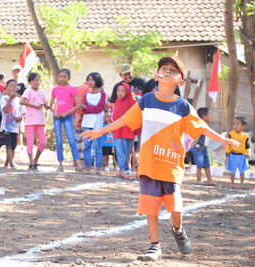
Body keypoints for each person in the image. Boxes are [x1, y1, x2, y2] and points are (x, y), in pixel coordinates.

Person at [81, 56, 237, 261]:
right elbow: (124, 120)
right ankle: (154, 246)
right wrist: (101, 131)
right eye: (165, 68)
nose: (168, 71)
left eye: (174, 70)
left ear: (180, 81)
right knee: (150, 206)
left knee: (175, 206)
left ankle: (178, 229)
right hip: (148, 163)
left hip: (171, 164)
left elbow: (201, 126)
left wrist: (222, 140)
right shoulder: (146, 100)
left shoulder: (182, 106)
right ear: (157, 75)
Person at [48, 68, 84, 172]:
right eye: (60, 76)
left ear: (68, 78)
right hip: (57, 117)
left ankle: (78, 163)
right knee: (59, 140)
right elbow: (51, 105)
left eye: (64, 76)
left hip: (68, 117)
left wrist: (67, 113)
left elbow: (79, 105)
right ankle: (60, 164)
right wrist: (54, 112)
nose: (62, 78)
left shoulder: (72, 89)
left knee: (72, 140)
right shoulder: (55, 90)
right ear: (57, 77)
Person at [20, 73, 48, 171]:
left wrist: (48, 105)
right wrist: (33, 105)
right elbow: (21, 101)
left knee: (43, 142)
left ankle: (36, 159)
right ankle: (31, 162)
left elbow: (46, 104)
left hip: (40, 121)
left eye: (37, 80)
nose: (36, 82)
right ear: (30, 82)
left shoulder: (42, 92)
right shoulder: (28, 91)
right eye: (34, 80)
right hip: (30, 120)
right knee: (30, 142)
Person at [0, 79, 25, 168]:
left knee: (13, 146)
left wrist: (20, 118)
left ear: (17, 88)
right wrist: (10, 99)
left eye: (14, 86)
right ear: (6, 88)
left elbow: (23, 112)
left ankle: (6, 163)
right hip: (5, 127)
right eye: (10, 86)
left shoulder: (19, 100)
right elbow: (4, 109)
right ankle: (12, 163)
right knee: (8, 145)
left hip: (15, 127)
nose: (12, 88)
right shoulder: (4, 98)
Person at [81, 72, 106, 171]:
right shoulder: (86, 94)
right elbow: (83, 108)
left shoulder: (101, 94)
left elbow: (99, 108)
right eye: (88, 80)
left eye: (92, 80)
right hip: (87, 122)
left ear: (97, 81)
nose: (90, 82)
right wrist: (89, 108)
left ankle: (98, 166)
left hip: (97, 122)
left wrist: (87, 107)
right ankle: (88, 165)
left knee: (97, 145)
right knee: (87, 145)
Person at [111, 82, 136, 180]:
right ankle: (121, 169)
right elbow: (114, 114)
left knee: (126, 151)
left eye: (123, 91)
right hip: (117, 130)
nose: (120, 93)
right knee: (119, 150)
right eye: (118, 91)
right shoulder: (116, 101)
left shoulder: (132, 102)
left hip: (127, 130)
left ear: (127, 91)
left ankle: (126, 168)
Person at [190, 107, 215, 186]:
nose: (210, 116)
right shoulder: (200, 125)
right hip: (198, 148)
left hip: (204, 148)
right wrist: (194, 143)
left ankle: (210, 180)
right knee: (200, 165)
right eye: (209, 114)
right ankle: (198, 180)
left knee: (207, 165)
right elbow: (197, 134)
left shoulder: (206, 125)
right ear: (204, 116)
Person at [225, 116, 251, 185]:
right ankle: (232, 182)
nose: (235, 126)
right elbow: (228, 143)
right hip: (233, 155)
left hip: (242, 156)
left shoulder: (245, 136)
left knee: (242, 171)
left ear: (243, 126)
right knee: (232, 171)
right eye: (234, 124)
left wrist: (248, 153)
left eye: (237, 124)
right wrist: (227, 152)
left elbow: (247, 145)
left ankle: (241, 183)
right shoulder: (232, 133)